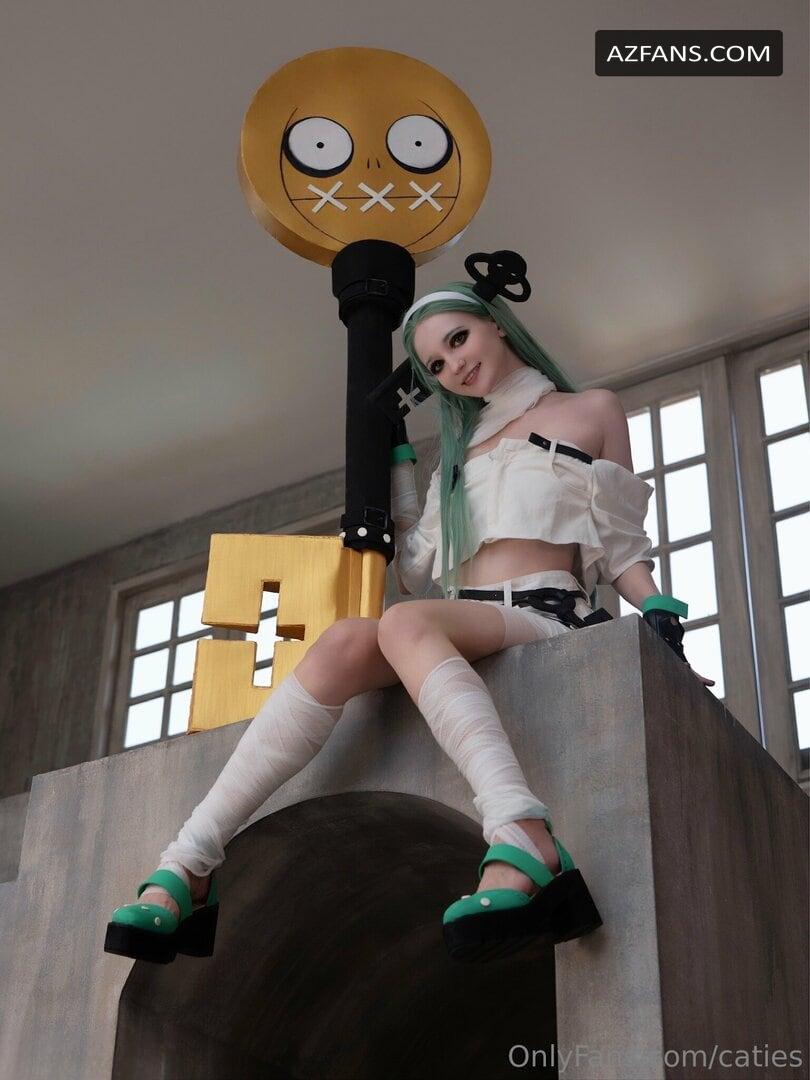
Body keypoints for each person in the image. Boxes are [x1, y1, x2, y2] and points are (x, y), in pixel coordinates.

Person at [105, 254, 713, 965]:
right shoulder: (460, 454)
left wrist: (658, 610)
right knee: (340, 643)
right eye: (436, 364)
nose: (455, 366)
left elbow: (620, 546)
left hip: (547, 613)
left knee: (401, 623)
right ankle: (187, 866)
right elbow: (418, 568)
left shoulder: (591, 412)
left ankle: (521, 831)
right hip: (465, 614)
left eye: (458, 339)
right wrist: (399, 467)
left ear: (494, 323)